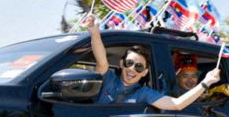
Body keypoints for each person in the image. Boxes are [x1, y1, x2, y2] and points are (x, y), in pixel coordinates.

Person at [84, 14, 220, 111]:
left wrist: (206, 82)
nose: (132, 69)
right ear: (121, 63)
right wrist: (95, 33)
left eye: (138, 67)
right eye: (129, 63)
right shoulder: (109, 80)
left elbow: (176, 104)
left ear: (144, 73)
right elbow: (102, 61)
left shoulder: (144, 93)